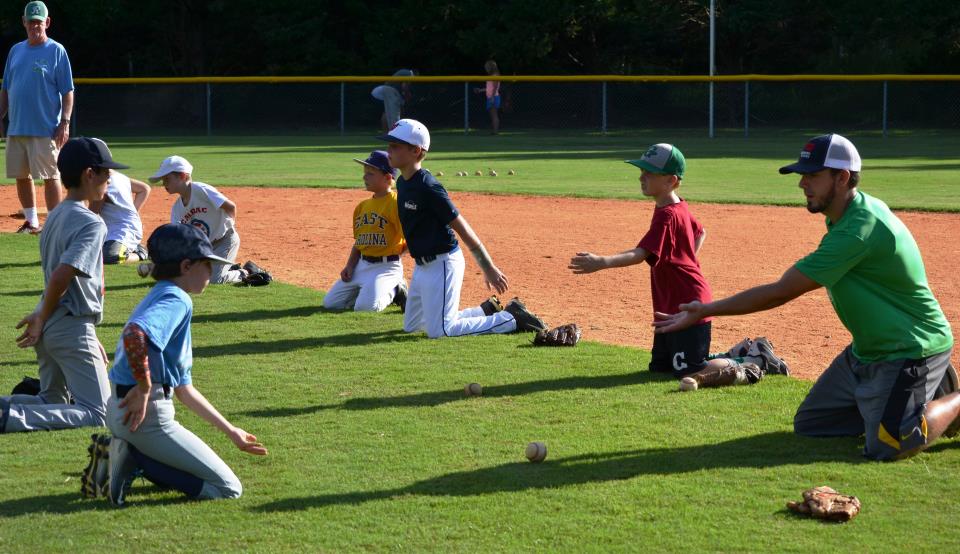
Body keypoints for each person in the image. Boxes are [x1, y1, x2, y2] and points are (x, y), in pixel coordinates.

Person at [654, 133, 960, 460]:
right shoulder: (849, 213)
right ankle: (917, 394)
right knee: (813, 423)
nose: (802, 183)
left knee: (890, 442)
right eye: (802, 174)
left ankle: (935, 400)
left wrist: (704, 310)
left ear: (842, 178)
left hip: (910, 348)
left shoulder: (858, 230)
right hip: (868, 351)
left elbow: (780, 292)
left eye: (813, 175)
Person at [569, 144, 787, 381]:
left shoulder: (668, 215)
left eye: (649, 172)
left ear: (671, 181)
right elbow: (700, 232)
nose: (642, 176)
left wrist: (601, 261)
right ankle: (741, 351)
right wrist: (686, 259)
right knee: (662, 368)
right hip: (670, 304)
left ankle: (756, 360)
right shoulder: (676, 205)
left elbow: (642, 253)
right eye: (642, 170)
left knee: (690, 370)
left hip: (688, 303)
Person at [93, 223, 268, 506]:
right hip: (146, 419)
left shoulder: (162, 292)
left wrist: (230, 431)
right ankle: (133, 457)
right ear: (186, 266)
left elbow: (185, 390)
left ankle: (130, 452)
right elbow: (134, 334)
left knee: (191, 469)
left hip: (120, 411)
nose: (211, 272)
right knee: (227, 489)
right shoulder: (177, 298)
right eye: (207, 264)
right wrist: (145, 386)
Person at [1, 137, 127, 433]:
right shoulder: (91, 222)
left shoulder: (55, 214)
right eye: (105, 172)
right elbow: (62, 274)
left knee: (51, 398)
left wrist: (46, 318)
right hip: (67, 322)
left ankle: (7, 407)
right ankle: (8, 418)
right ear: (89, 174)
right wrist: (70, 325)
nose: (109, 179)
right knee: (98, 413)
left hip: (54, 321)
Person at [378, 119, 547, 338]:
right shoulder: (402, 182)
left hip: (443, 263)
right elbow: (417, 222)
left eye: (395, 146)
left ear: (416, 150)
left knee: (442, 331)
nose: (388, 150)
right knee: (412, 326)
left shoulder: (429, 187)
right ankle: (485, 311)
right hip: (422, 267)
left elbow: (463, 229)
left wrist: (488, 267)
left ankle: (510, 318)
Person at [0, 1, 74, 234]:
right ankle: (32, 221)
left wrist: (65, 122)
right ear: (24, 22)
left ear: (47, 22)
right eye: (30, 22)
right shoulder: (15, 50)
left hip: (46, 128)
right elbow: (6, 88)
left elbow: (68, 90)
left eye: (39, 22)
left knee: (51, 176)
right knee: (21, 176)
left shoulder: (56, 50)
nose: (35, 26)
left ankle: (53, 224)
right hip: (17, 127)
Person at [144, 155, 270, 285]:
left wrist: (228, 226)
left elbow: (230, 206)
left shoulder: (201, 190)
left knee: (215, 280)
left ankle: (245, 272)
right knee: (187, 275)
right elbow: (178, 236)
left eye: (167, 179)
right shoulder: (177, 208)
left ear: (183, 176)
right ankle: (226, 267)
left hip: (225, 240)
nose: (164, 183)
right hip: (204, 249)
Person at [323, 150, 408, 312]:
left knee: (366, 308)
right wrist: (349, 266)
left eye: (370, 173)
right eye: (365, 173)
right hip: (361, 265)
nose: (364, 177)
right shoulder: (362, 207)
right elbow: (359, 243)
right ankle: (369, 290)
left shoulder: (396, 204)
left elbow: (411, 238)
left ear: (388, 177)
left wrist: (394, 257)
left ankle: (396, 288)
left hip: (386, 267)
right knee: (331, 303)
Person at [90, 171, 151, 264]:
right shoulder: (119, 176)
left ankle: (141, 253)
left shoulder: (103, 185)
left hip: (123, 231)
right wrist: (134, 215)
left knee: (110, 256)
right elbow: (144, 189)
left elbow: (92, 214)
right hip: (114, 229)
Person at [475, 60, 501, 134]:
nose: (486, 69)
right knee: (492, 116)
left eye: (487, 67)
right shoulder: (491, 76)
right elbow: (489, 88)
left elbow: (495, 87)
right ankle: (494, 131)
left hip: (494, 97)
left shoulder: (495, 75)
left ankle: (495, 132)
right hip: (490, 97)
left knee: (494, 115)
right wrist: (480, 90)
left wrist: (492, 97)